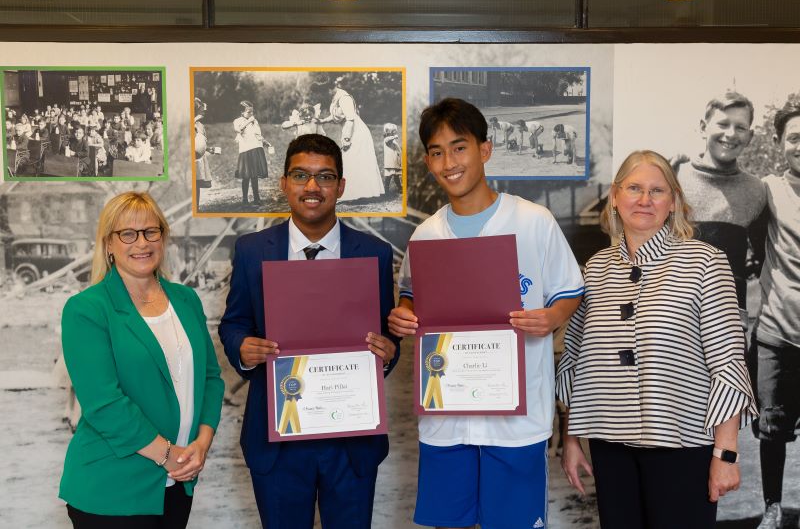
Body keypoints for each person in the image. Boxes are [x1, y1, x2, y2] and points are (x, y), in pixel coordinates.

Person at [389, 98, 584, 529]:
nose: (449, 162)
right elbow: (411, 300)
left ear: (485, 149)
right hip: (446, 421)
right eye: (437, 152)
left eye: (459, 147)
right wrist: (402, 315)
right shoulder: (425, 235)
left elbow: (570, 291)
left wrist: (552, 318)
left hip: (517, 422)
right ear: (427, 161)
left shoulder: (534, 221)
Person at [557, 150, 757, 529]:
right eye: (634, 188)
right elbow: (577, 358)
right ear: (615, 196)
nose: (645, 200)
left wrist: (726, 454)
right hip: (610, 447)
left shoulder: (706, 262)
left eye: (657, 190)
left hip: (683, 448)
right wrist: (571, 440)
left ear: (674, 201)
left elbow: (728, 362)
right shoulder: (596, 269)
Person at [219, 134, 399, 529]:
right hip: (277, 439)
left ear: (342, 186)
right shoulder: (251, 250)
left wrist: (389, 351)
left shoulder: (374, 253)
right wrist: (242, 347)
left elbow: (389, 338)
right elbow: (234, 323)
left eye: (325, 177)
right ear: (283, 183)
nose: (312, 187)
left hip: (351, 440)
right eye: (301, 175)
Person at [59, 191, 224, 528]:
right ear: (108, 244)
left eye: (151, 231)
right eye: (128, 234)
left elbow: (210, 378)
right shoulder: (87, 310)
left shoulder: (186, 299)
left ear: (163, 237)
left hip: (178, 481)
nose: (142, 243)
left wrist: (201, 444)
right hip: (111, 489)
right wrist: (168, 454)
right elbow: (104, 404)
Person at [748, 100, 800, 529]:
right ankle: (772, 507)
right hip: (777, 332)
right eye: (794, 138)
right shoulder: (767, 188)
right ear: (780, 143)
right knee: (772, 430)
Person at [672, 91, 768, 315]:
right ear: (703, 127)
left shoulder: (756, 190)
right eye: (723, 124)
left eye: (740, 127)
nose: (731, 134)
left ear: (750, 136)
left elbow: (766, 260)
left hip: (729, 322)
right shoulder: (672, 178)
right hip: (672, 319)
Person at [319, 76, 385, 202]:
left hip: (357, 132)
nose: (325, 94)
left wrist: (347, 138)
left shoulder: (344, 98)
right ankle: (353, 194)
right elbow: (337, 116)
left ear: (331, 88)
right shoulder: (336, 98)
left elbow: (350, 118)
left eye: (325, 90)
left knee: (353, 161)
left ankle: (356, 194)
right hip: (349, 130)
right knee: (349, 161)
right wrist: (322, 120)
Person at [233, 100, 269, 206]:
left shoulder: (255, 121)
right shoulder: (237, 121)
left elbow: (258, 134)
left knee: (254, 175)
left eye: (252, 112)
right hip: (246, 150)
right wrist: (249, 121)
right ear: (242, 112)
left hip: (256, 148)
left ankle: (256, 198)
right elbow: (238, 130)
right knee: (246, 175)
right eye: (248, 112)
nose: (251, 114)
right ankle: (244, 199)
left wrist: (265, 142)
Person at [382, 122, 402, 197]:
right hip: (390, 163)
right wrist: (394, 137)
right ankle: (386, 190)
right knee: (389, 177)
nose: (395, 132)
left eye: (395, 131)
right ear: (388, 132)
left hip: (394, 162)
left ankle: (400, 188)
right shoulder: (387, 139)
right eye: (393, 131)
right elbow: (387, 140)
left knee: (396, 176)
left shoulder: (393, 140)